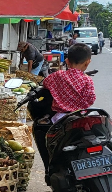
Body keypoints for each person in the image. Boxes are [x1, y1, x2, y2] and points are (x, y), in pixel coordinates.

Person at [33, 43, 96, 173]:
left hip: (60, 118)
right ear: (87, 62)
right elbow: (91, 99)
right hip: (82, 117)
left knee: (49, 143)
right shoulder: (87, 80)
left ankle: (51, 169)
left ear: (66, 61)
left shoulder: (57, 76)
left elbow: (45, 83)